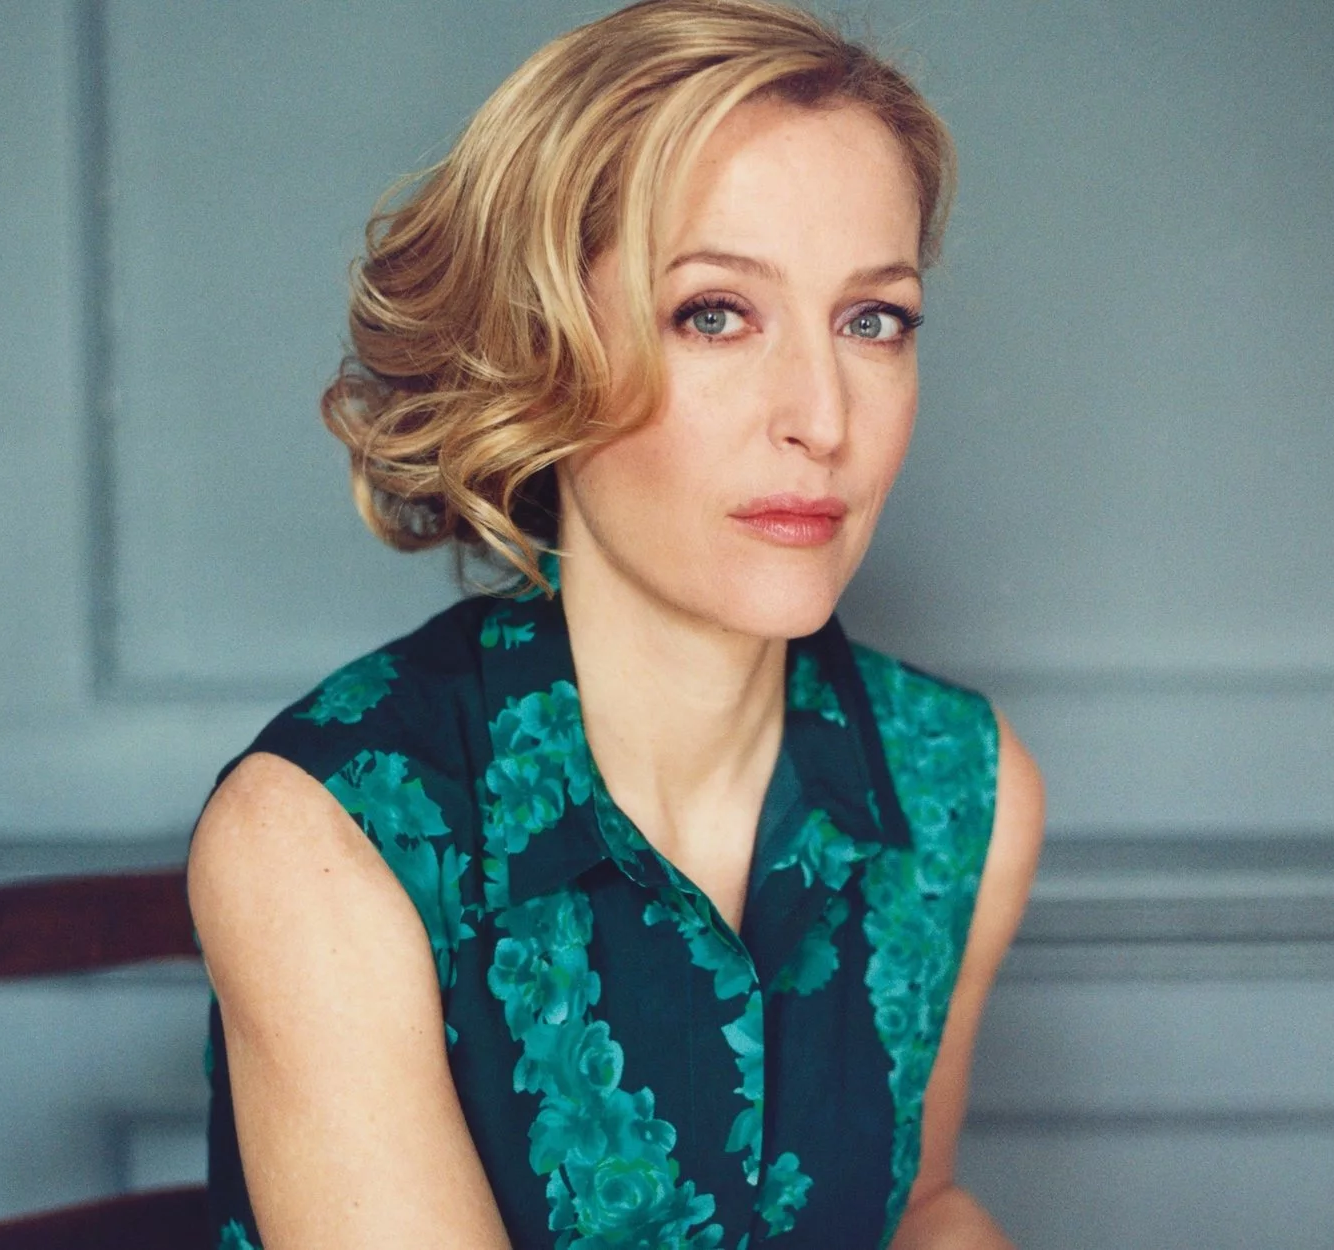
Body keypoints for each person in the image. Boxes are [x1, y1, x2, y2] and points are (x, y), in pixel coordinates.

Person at [185, 1, 1045, 1246]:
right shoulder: (319, 839)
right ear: (538, 352)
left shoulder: (960, 786)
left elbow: (917, 1205)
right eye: (713, 313)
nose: (821, 417)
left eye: (872, 321)